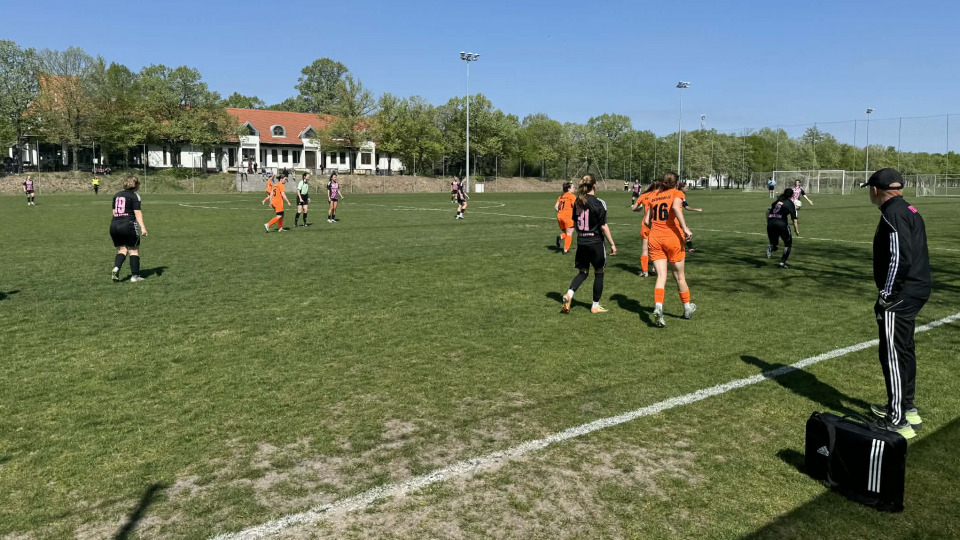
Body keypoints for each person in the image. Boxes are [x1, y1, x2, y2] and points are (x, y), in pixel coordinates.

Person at [864, 168, 930, 440]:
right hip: (916, 289)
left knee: (892, 354)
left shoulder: (892, 214)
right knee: (903, 349)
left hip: (901, 294)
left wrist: (886, 296)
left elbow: (898, 258)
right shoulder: (909, 209)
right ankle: (907, 407)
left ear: (876, 190)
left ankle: (897, 419)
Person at [644, 172, 695, 327]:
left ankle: (658, 307)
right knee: (679, 276)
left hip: (654, 238)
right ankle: (687, 308)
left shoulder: (653, 196)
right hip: (672, 238)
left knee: (661, 276)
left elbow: (647, 221)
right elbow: (676, 208)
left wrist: (657, 230)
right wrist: (685, 229)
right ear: (676, 183)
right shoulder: (677, 193)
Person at [560, 174, 617, 314]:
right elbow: (603, 226)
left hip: (582, 242)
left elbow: (575, 222)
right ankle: (595, 306)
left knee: (583, 272)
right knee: (599, 272)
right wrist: (612, 244)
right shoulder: (599, 202)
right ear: (595, 185)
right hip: (596, 242)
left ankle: (569, 294)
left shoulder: (577, 202)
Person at [110, 176, 148, 282]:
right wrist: (143, 228)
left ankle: (116, 267)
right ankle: (135, 277)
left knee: (122, 250)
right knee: (134, 250)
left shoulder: (117, 195)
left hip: (114, 225)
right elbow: (137, 212)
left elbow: (114, 212)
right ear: (136, 185)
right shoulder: (135, 196)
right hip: (128, 224)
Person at [631, 180, 660, 277]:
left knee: (645, 249)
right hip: (658, 225)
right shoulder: (663, 195)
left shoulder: (644, 195)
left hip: (646, 225)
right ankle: (655, 268)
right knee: (657, 248)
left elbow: (634, 208)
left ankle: (645, 271)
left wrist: (639, 209)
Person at [765, 188, 799, 268]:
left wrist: (769, 221)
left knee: (775, 246)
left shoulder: (777, 201)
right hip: (781, 224)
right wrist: (796, 230)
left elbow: (767, 211)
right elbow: (794, 219)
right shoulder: (790, 203)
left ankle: (770, 247)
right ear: (792, 195)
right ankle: (782, 263)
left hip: (770, 224)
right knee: (788, 244)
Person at [679, 183, 703, 252]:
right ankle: (686, 248)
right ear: (681, 188)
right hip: (676, 218)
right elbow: (687, 207)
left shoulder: (681, 195)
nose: (687, 189)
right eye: (686, 187)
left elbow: (686, 206)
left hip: (677, 218)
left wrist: (695, 209)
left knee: (687, 233)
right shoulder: (679, 195)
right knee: (688, 233)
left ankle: (690, 248)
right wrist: (696, 209)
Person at [554, 182, 576, 254]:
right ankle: (565, 250)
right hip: (568, 217)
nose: (574, 189)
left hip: (560, 217)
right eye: (573, 187)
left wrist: (561, 212)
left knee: (566, 233)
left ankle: (561, 237)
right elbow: (575, 206)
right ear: (569, 189)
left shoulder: (561, 196)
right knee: (569, 233)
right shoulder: (572, 196)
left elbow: (556, 207)